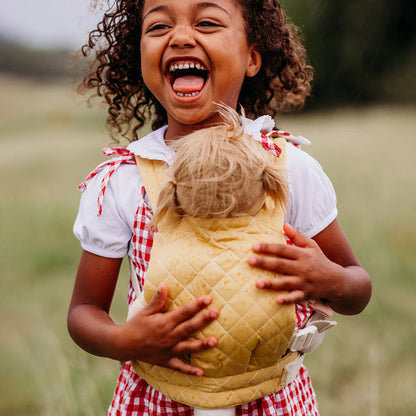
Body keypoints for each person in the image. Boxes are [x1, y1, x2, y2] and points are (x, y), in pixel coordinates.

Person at [68, 1, 372, 415]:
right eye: (158, 26)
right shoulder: (122, 179)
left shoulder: (289, 167)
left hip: (275, 400)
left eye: (207, 22)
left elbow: (358, 289)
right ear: (137, 53)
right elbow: (84, 311)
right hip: (154, 401)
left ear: (252, 57)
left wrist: (329, 279)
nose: (179, 37)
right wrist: (124, 341)